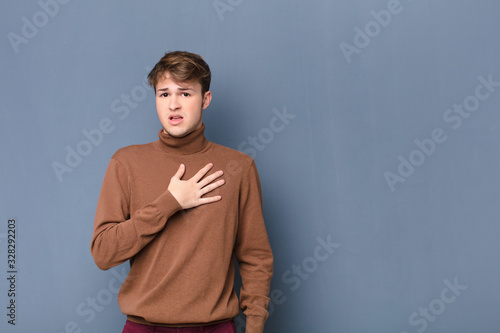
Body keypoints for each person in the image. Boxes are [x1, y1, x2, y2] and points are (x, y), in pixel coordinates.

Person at [90, 51, 273, 333]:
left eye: (185, 93)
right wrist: (170, 202)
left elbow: (255, 256)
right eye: (164, 94)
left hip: (215, 327)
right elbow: (103, 253)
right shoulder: (125, 163)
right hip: (143, 327)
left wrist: (255, 325)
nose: (173, 104)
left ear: (205, 99)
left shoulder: (239, 167)